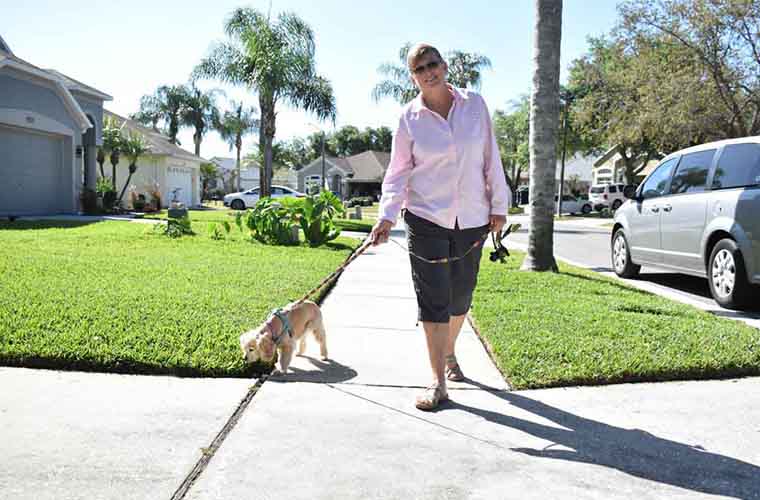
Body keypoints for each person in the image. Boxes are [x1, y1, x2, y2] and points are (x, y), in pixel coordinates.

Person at [370, 43, 510, 411]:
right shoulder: (409, 118)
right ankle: (437, 381)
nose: (428, 71)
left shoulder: (474, 105)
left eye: (433, 63)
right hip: (425, 217)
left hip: (473, 216)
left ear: (445, 66)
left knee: (461, 295)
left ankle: (449, 351)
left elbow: (489, 157)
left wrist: (499, 205)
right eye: (420, 68)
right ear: (412, 77)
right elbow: (397, 171)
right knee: (433, 299)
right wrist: (387, 215)